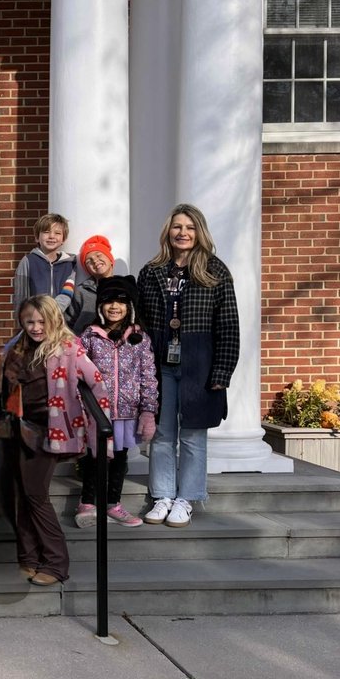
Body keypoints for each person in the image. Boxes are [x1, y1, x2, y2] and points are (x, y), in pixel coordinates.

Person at [137, 204, 239, 529]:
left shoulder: (215, 271)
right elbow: (139, 322)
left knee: (194, 434)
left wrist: (222, 372)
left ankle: (187, 498)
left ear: (199, 233)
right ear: (168, 231)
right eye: (177, 227)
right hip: (160, 364)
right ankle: (163, 496)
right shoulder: (151, 272)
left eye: (190, 227)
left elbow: (229, 327)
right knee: (163, 434)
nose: (183, 233)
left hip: (200, 364)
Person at [0, 295, 111, 586]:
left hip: (49, 431)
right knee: (19, 494)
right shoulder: (18, 349)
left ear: (54, 320)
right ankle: (29, 556)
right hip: (17, 429)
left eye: (41, 321)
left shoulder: (69, 349)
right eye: (29, 321)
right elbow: (7, 391)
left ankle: (57, 562)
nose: (36, 327)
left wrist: (100, 434)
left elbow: (98, 385)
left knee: (35, 494)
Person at [75, 276, 157, 529]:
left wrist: (148, 411)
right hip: (97, 413)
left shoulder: (139, 338)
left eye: (121, 302)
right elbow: (77, 372)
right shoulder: (89, 335)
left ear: (130, 306)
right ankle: (87, 503)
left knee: (120, 457)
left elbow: (148, 375)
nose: (114, 306)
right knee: (92, 457)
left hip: (126, 412)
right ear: (100, 306)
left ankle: (113, 503)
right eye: (108, 301)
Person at [12, 213, 76, 315]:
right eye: (46, 232)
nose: (51, 236)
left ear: (63, 240)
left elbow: (70, 295)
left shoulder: (71, 264)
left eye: (57, 233)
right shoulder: (28, 261)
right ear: (37, 238)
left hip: (63, 324)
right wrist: (23, 324)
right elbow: (20, 296)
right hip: (35, 321)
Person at [65, 234, 116, 335]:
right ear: (88, 270)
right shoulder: (81, 291)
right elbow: (67, 323)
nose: (95, 260)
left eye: (99, 255)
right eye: (89, 261)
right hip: (83, 346)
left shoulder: (124, 288)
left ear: (110, 260)